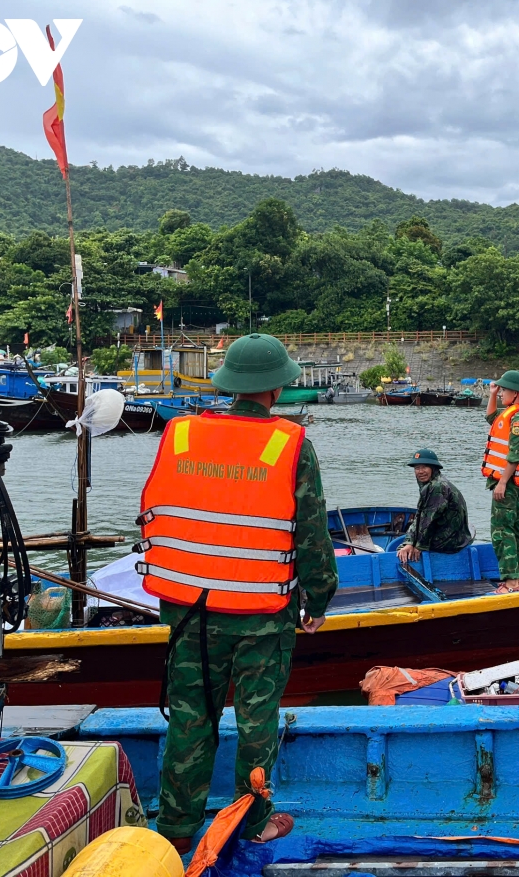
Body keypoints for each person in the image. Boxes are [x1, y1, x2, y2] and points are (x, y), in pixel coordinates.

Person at [139, 333, 339, 854]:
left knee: (190, 718)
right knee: (256, 723)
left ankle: (177, 830)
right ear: (275, 388)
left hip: (188, 612)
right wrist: (316, 601)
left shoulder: (180, 434)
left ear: (229, 384)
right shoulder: (290, 444)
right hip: (261, 616)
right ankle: (251, 824)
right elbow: (312, 537)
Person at [482, 370, 519, 593]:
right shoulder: (513, 414)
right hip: (517, 484)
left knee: (502, 531)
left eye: (504, 390)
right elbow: (490, 418)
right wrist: (493, 394)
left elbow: (516, 453)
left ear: (515, 393)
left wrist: (503, 482)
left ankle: (510, 582)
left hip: (510, 484)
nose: (502, 392)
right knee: (515, 529)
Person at [397, 448, 473, 562]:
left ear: (433, 468)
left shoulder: (437, 487)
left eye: (424, 467)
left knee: (400, 551)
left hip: (451, 542)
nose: (420, 471)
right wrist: (410, 542)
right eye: (417, 468)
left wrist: (419, 546)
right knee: (406, 544)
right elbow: (421, 516)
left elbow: (428, 520)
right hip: (451, 536)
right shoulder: (432, 484)